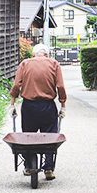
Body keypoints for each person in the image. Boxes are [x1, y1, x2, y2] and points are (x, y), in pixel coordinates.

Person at [9, 44, 67, 179]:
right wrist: (63, 104)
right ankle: (48, 169)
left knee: (28, 136)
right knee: (50, 137)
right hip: (48, 106)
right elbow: (60, 86)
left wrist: (12, 104)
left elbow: (17, 85)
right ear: (47, 55)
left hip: (29, 106)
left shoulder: (25, 63)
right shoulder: (54, 64)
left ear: (33, 54)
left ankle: (29, 167)